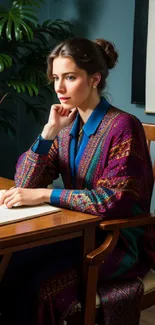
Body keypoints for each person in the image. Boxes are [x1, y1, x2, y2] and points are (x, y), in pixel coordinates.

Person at [0, 37, 155, 325]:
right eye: (56, 78)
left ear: (94, 78)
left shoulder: (123, 126)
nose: (59, 87)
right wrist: (48, 133)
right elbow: (24, 183)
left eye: (70, 77)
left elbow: (114, 200)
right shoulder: (67, 126)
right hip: (73, 234)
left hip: (116, 242)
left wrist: (47, 196)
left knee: (39, 287)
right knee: (12, 264)